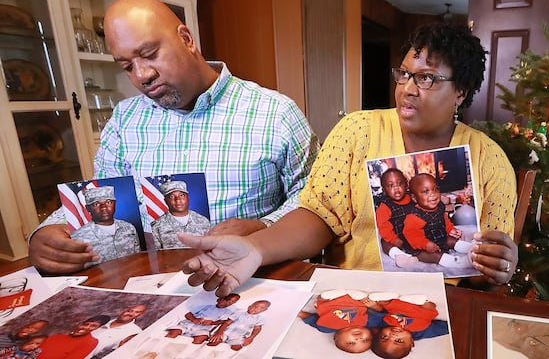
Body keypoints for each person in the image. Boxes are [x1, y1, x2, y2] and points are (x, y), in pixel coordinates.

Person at [180, 21, 518, 296]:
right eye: (403, 74)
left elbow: (480, 275)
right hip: (353, 295)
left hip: (441, 304)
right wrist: (256, 249)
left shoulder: (489, 159)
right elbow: (320, 216)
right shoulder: (357, 131)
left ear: (460, 91)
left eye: (426, 78)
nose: (407, 89)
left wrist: (498, 267)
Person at [28, 0, 319, 274]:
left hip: (252, 278)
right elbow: (102, 192)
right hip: (150, 281)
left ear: (187, 39)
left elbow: (314, 199)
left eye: (149, 55)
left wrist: (265, 227)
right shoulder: (124, 119)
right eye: (127, 67)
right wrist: (47, 232)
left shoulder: (275, 112)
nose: (142, 75)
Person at [401, 173, 473, 268]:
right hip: (420, 246)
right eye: (425, 191)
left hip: (438, 238)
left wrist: (450, 229)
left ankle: (470, 248)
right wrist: (425, 244)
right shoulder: (414, 216)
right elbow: (412, 236)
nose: (433, 194)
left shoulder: (439, 207)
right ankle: (457, 262)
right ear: (414, 198)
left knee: (451, 240)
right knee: (434, 255)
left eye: (435, 189)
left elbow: (444, 220)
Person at [70, 186, 140, 265]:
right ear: (88, 208)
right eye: (96, 204)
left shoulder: (129, 228)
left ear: (115, 204)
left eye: (108, 202)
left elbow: (138, 259)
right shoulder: (77, 237)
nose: (104, 208)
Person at [297, 290, 384, 354]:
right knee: (361, 296)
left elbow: (311, 320)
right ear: (371, 335)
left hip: (329, 301)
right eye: (365, 340)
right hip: (353, 298)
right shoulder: (369, 322)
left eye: (351, 343)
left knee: (322, 299)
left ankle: (328, 296)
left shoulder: (327, 328)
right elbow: (380, 313)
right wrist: (374, 306)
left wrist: (300, 313)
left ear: (336, 337)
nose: (359, 339)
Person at [374, 168, 419, 267]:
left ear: (406, 185)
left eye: (399, 183)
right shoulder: (385, 206)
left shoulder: (413, 199)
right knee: (385, 242)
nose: (396, 188)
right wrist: (393, 239)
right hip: (397, 236)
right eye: (391, 186)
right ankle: (399, 255)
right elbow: (383, 226)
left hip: (414, 235)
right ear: (384, 190)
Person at [151, 181, 210, 249]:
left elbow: (209, 248)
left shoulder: (203, 221)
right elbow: (156, 254)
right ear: (165, 201)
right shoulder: (156, 227)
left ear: (188, 197)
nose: (178, 200)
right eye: (171, 197)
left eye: (181, 195)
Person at [165, 294, 239, 346]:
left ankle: (188, 353)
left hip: (203, 329)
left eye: (231, 303)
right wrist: (194, 319)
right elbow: (188, 314)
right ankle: (160, 349)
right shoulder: (206, 306)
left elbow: (223, 322)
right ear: (218, 299)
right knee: (175, 332)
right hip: (187, 324)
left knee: (200, 338)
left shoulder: (227, 312)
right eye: (226, 300)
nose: (226, 303)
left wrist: (212, 322)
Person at [37, 315, 110, 359]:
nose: (86, 327)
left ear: (97, 328)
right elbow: (35, 352)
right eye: (85, 324)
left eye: (93, 326)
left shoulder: (90, 342)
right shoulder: (57, 337)